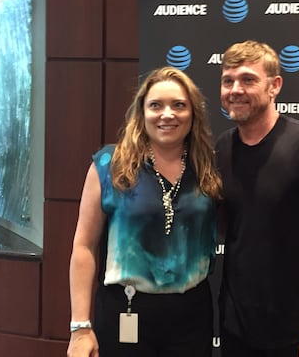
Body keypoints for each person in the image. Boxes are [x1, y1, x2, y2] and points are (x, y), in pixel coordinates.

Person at [67, 66, 222, 357]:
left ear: (193, 113)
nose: (167, 114)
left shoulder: (208, 167)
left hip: (192, 314)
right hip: (125, 309)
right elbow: (84, 247)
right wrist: (80, 327)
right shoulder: (110, 164)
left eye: (179, 105)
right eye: (156, 105)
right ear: (142, 111)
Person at [215, 40, 299, 357]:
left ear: (275, 85)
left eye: (248, 79)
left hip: (296, 330)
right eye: (228, 80)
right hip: (234, 325)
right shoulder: (220, 149)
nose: (235, 89)